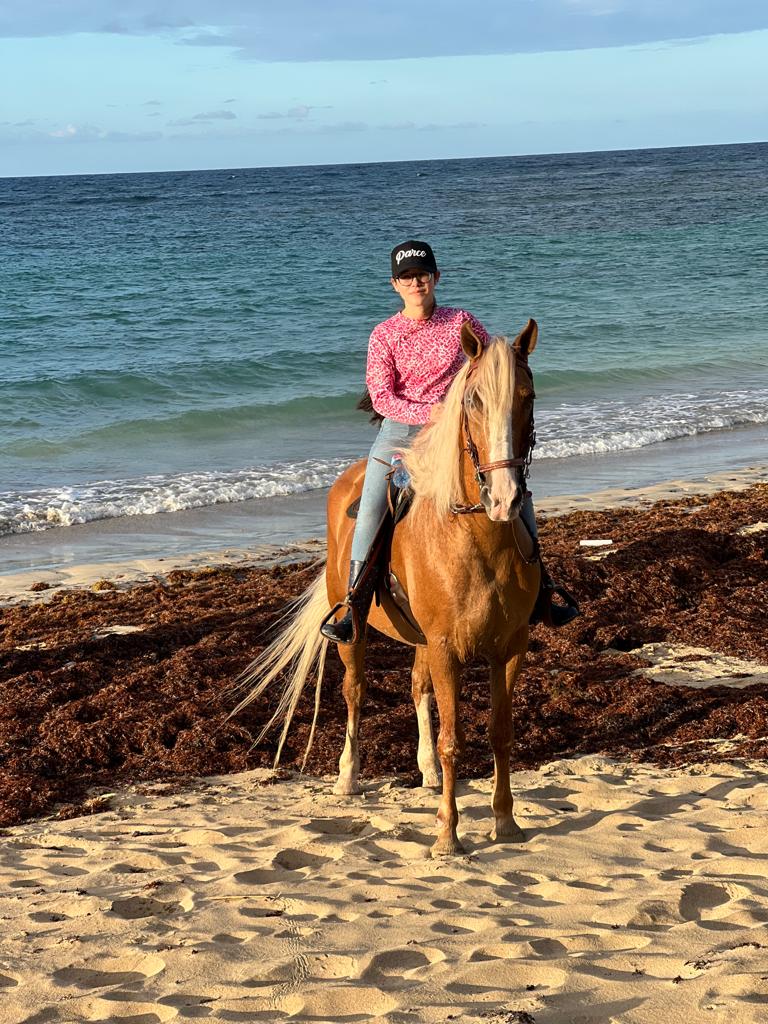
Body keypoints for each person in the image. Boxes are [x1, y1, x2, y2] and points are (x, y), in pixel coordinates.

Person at [320, 239, 579, 645]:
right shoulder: (384, 335)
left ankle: (542, 589)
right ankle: (353, 600)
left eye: (422, 274)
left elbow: (492, 367)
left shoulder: (463, 321)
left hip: (459, 432)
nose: (416, 282)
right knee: (372, 500)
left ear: (436, 277)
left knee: (512, 485)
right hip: (402, 432)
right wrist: (432, 413)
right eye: (407, 277)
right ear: (395, 285)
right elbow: (382, 396)